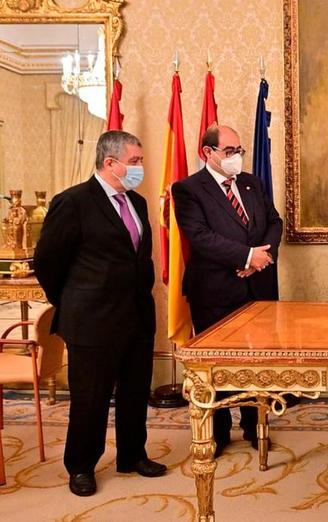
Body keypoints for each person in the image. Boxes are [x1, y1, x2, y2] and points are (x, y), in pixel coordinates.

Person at [34, 130, 166, 497]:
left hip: (136, 317)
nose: (140, 167)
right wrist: (73, 300)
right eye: (135, 161)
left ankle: (132, 455)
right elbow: (47, 261)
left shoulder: (136, 203)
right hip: (92, 321)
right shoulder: (73, 202)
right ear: (111, 163)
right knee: (90, 399)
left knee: (135, 392)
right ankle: (81, 466)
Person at [172, 125, 283, 458]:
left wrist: (261, 258)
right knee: (217, 367)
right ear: (208, 152)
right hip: (215, 291)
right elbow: (200, 236)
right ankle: (218, 432)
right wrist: (247, 256)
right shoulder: (188, 189)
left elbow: (274, 221)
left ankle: (253, 425)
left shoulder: (252, 182)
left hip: (258, 286)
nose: (237, 157)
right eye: (230, 151)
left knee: (256, 361)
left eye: (240, 151)